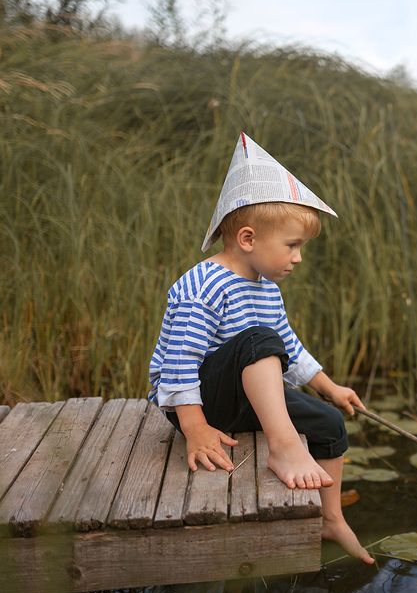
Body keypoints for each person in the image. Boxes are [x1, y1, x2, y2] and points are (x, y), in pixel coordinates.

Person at [148, 132, 372, 565]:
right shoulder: (203, 285)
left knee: (328, 425)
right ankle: (284, 447)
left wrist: (330, 387)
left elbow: (288, 346)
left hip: (243, 396)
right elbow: (178, 363)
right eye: (292, 246)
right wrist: (193, 428)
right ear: (248, 238)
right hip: (195, 403)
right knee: (257, 340)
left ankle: (330, 517)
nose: (298, 258)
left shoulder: (266, 288)